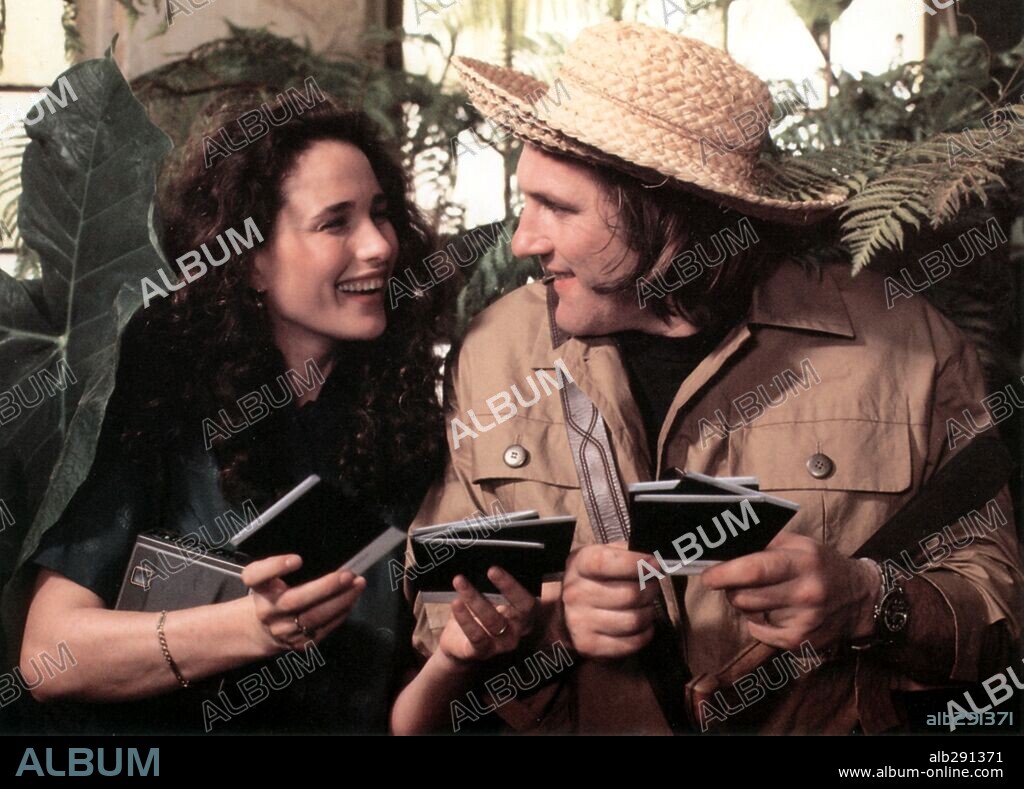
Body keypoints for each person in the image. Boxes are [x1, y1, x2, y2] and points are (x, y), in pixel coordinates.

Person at [398, 21, 1024, 734]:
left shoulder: (908, 350)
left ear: (670, 218)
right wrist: (553, 617)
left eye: (559, 209)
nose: (521, 241)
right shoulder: (497, 349)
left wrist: (867, 599)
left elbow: (1001, 613)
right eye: (526, 199)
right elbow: (437, 604)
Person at [13, 93, 449, 734]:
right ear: (249, 260)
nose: (379, 245)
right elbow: (49, 656)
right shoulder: (151, 408)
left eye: (381, 216)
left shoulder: (406, 417)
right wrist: (246, 628)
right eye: (336, 223)